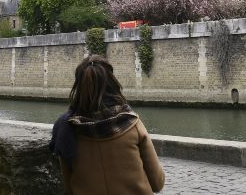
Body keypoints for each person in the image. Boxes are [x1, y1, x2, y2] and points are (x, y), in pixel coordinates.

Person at [49, 55, 165, 195]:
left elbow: (69, 188)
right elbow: (158, 184)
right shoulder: (133, 125)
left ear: (79, 87)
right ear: (112, 83)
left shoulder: (66, 130)